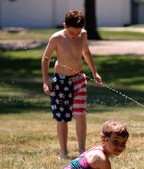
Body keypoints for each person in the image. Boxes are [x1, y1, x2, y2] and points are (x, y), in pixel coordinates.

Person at [41, 10, 102, 159]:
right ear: (64, 25)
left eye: (78, 32)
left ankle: (82, 152)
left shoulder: (83, 34)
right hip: (61, 81)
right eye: (72, 33)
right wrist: (45, 81)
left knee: (80, 114)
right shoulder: (57, 38)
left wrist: (94, 73)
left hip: (79, 79)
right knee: (62, 117)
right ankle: (64, 152)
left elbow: (86, 52)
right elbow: (45, 59)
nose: (75, 36)